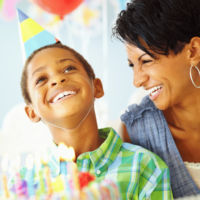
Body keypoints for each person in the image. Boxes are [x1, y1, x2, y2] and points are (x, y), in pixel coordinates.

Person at [9, 10, 173, 200]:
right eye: (41, 79)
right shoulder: (22, 184)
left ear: (97, 87)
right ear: (31, 113)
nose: (58, 79)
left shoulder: (145, 167)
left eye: (69, 68)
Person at [112, 0, 200, 198]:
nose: (137, 80)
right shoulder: (134, 133)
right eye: (132, 65)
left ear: (193, 51)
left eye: (146, 61)